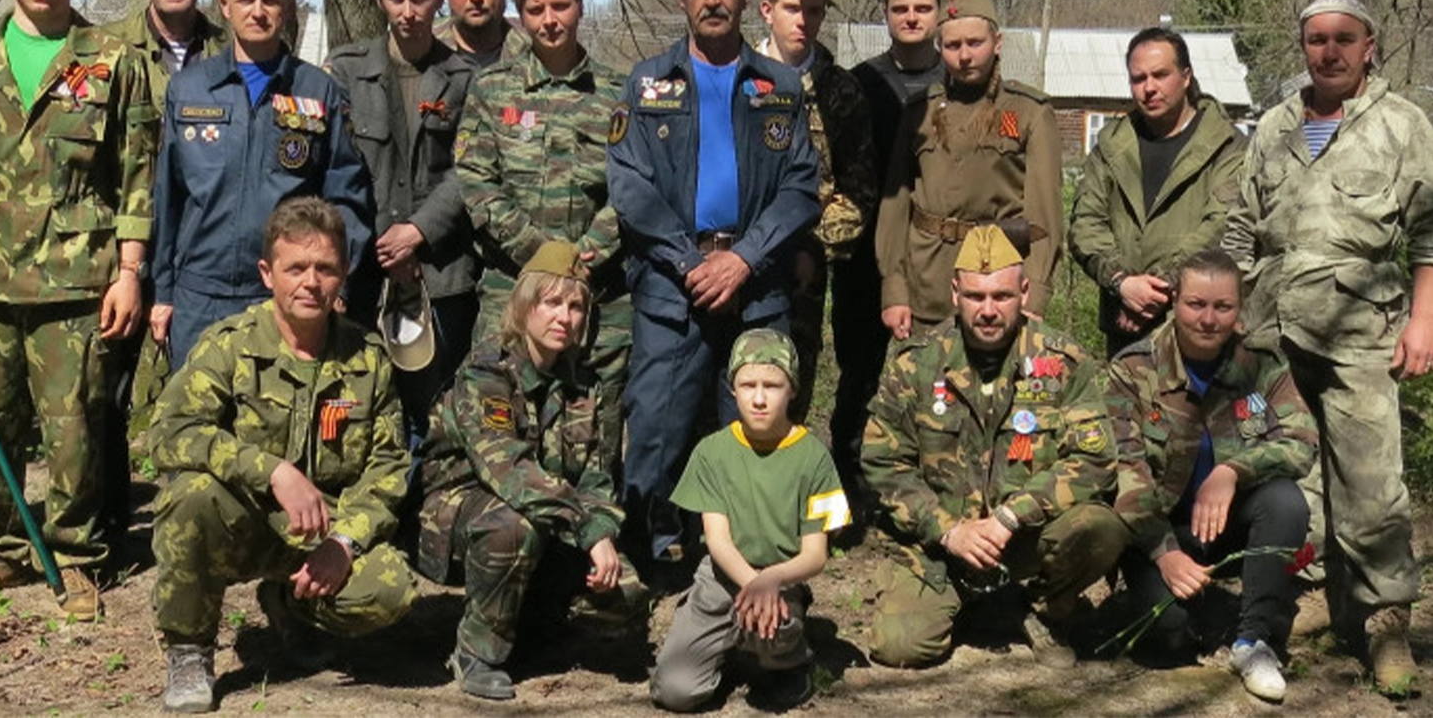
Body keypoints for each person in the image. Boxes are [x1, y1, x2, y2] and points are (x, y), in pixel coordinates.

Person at [0, 0, 156, 620]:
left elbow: (137, 175)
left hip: (74, 272)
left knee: (74, 424)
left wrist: (130, 271)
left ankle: (74, 555)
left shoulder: (109, 60)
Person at [1223, 0, 1433, 695]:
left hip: (1360, 329)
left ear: (1369, 45)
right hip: (1273, 328)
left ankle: (1386, 624)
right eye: (1316, 39)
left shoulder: (1402, 126)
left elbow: (1429, 234)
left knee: (1371, 483)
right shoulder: (1277, 124)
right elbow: (1242, 226)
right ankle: (1306, 604)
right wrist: (1227, 305)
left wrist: (1424, 321)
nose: (1329, 51)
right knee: (1288, 476)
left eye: (1344, 37)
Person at [150, 197, 416, 714]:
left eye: (325, 268)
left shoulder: (368, 360)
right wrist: (271, 470)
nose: (311, 282)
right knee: (190, 497)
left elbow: (387, 469)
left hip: (320, 529)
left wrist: (343, 542)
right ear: (268, 274)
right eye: (296, 268)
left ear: (344, 274)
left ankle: (292, 604)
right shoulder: (231, 346)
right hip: (244, 521)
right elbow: (170, 432)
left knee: (391, 589)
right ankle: (189, 649)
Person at [607, 0, 821, 569]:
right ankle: (650, 551)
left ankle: (751, 556)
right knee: (656, 424)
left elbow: (801, 186)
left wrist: (744, 259)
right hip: (674, 282)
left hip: (757, 286)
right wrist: (689, 260)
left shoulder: (779, 85)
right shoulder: (648, 83)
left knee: (755, 425)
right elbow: (629, 184)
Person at [862, 223, 1126, 669]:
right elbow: (883, 464)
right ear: (954, 294)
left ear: (1024, 293)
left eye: (1001, 297)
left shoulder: (1061, 363)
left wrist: (1009, 516)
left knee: (1101, 527)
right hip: (940, 548)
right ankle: (972, 605)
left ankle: (1042, 609)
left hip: (1023, 543)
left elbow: (1095, 459)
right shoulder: (915, 365)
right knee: (899, 647)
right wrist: (948, 530)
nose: (988, 310)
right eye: (976, 297)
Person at [416, 241, 641, 701]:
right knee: (513, 528)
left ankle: (532, 621)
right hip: (461, 513)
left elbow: (596, 476)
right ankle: (478, 652)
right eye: (551, 302)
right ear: (525, 306)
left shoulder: (585, 385)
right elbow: (508, 469)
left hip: (548, 516)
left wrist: (601, 530)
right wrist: (585, 529)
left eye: (576, 305)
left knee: (629, 594)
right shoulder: (487, 373)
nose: (565, 316)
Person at [1108, 249, 1316, 702]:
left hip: (1231, 526)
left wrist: (1233, 469)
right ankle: (1187, 608)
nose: (1208, 319)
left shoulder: (1263, 365)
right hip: (1161, 531)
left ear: (1239, 309)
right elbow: (1125, 473)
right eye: (1195, 304)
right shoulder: (1133, 369)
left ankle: (1254, 641)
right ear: (1174, 302)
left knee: (1285, 500)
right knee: (1169, 639)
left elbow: (1301, 443)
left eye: (1223, 307)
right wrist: (1165, 554)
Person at [151, 0, 375, 368]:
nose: (258, 12)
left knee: (278, 422)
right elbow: (168, 199)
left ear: (288, 7)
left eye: (270, 1)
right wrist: (162, 292)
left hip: (287, 295)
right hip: (201, 294)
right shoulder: (189, 89)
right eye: (246, 0)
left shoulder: (316, 90)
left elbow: (346, 194)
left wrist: (338, 285)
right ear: (224, 7)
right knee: (197, 424)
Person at [455, 0, 631, 471]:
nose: (550, 20)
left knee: (596, 425)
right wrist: (542, 258)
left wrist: (581, 259)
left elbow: (636, 187)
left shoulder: (619, 92)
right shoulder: (493, 89)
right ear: (521, 16)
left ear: (579, 7)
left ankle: (594, 537)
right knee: (502, 417)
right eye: (536, 10)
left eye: (561, 6)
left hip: (598, 291)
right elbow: (475, 180)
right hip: (510, 288)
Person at [98, 0, 228, 547]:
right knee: (106, 389)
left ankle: (201, 522)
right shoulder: (104, 50)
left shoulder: (233, 50)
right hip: (115, 246)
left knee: (201, 387)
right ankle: (107, 517)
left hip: (199, 244)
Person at [327, 0, 479, 448]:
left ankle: (427, 517)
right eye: (397, 0)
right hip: (363, 268)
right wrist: (381, 244)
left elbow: (472, 168)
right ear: (379, 0)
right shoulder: (347, 71)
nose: (409, 12)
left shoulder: (464, 78)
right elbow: (340, 167)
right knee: (361, 402)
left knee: (433, 409)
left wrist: (417, 232)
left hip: (441, 269)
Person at [651, 329, 849, 712]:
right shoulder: (713, 452)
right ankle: (717, 643)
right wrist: (752, 584)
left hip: (782, 578)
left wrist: (770, 581)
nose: (759, 398)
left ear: (792, 389)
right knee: (675, 692)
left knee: (773, 630)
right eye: (748, 385)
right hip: (723, 578)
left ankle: (787, 663)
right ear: (732, 389)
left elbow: (815, 555)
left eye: (772, 385)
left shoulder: (814, 457)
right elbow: (718, 540)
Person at [878, 0, 1062, 342]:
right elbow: (896, 207)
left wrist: (1035, 290)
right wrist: (894, 288)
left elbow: (1045, 214)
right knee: (927, 392)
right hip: (928, 283)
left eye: (974, 43)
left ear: (998, 43)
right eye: (952, 46)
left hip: (999, 285)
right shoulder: (920, 111)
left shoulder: (1028, 112)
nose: (964, 56)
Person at [828, 0, 944, 500]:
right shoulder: (858, 83)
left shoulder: (957, 84)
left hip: (938, 254)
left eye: (923, 8)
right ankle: (852, 481)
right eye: (901, 8)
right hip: (864, 255)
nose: (912, 17)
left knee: (936, 371)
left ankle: (929, 482)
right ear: (886, 13)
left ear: (940, 13)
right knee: (861, 370)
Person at [1070, 27, 1246, 356]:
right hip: (1124, 328)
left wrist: (1156, 288)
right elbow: (1085, 223)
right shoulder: (1112, 145)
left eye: (1160, 75)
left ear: (1186, 76)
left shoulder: (1225, 145)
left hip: (1200, 326)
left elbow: (1221, 226)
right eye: (1138, 79)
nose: (1149, 88)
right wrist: (1121, 282)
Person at [755, 0, 877, 422]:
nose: (802, 21)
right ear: (767, 10)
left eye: (814, 11)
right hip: (729, 265)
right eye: (791, 8)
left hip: (800, 270)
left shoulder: (841, 90)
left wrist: (809, 244)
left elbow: (859, 191)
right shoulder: (732, 76)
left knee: (789, 389)